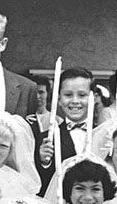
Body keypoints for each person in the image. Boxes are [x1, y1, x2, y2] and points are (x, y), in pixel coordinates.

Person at [34, 67, 94, 196]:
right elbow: (41, 183)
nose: (75, 101)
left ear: (93, 98)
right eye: (68, 95)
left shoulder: (104, 134)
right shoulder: (47, 138)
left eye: (82, 95)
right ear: (59, 99)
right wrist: (45, 162)